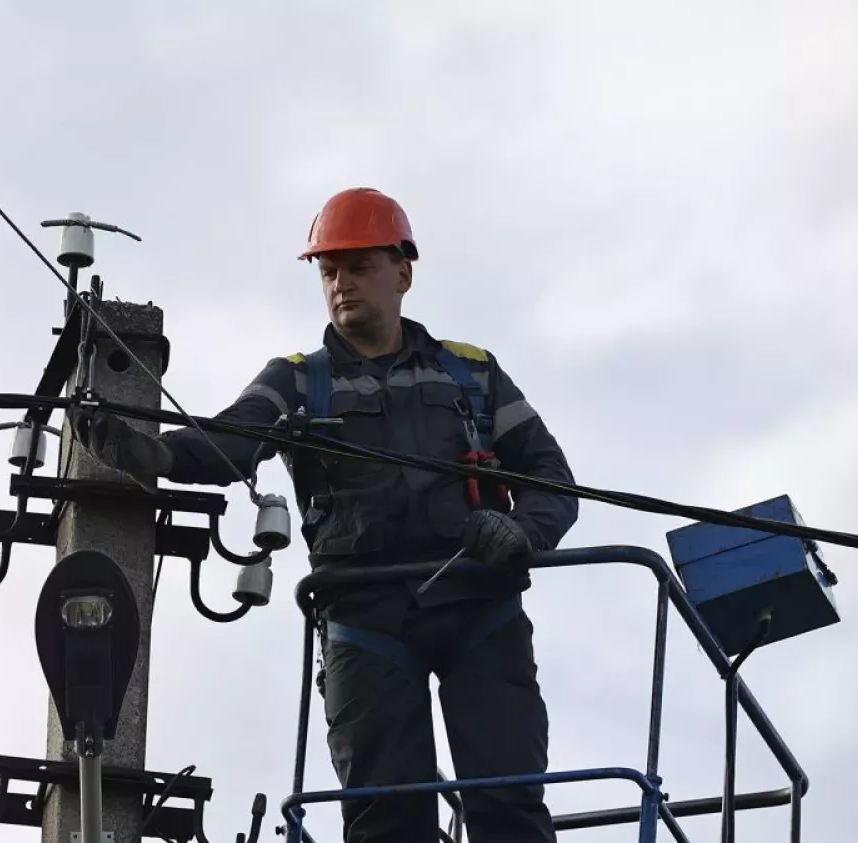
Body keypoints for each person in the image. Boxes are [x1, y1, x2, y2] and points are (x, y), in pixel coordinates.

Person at [72, 187, 579, 843]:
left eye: (359, 266)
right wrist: (147, 450)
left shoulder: (472, 374)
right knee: (385, 822)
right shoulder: (296, 381)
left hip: (481, 609)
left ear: (403, 273)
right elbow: (227, 445)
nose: (342, 284)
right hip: (367, 623)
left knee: (508, 806)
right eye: (329, 271)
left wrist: (521, 531)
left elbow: (552, 479)